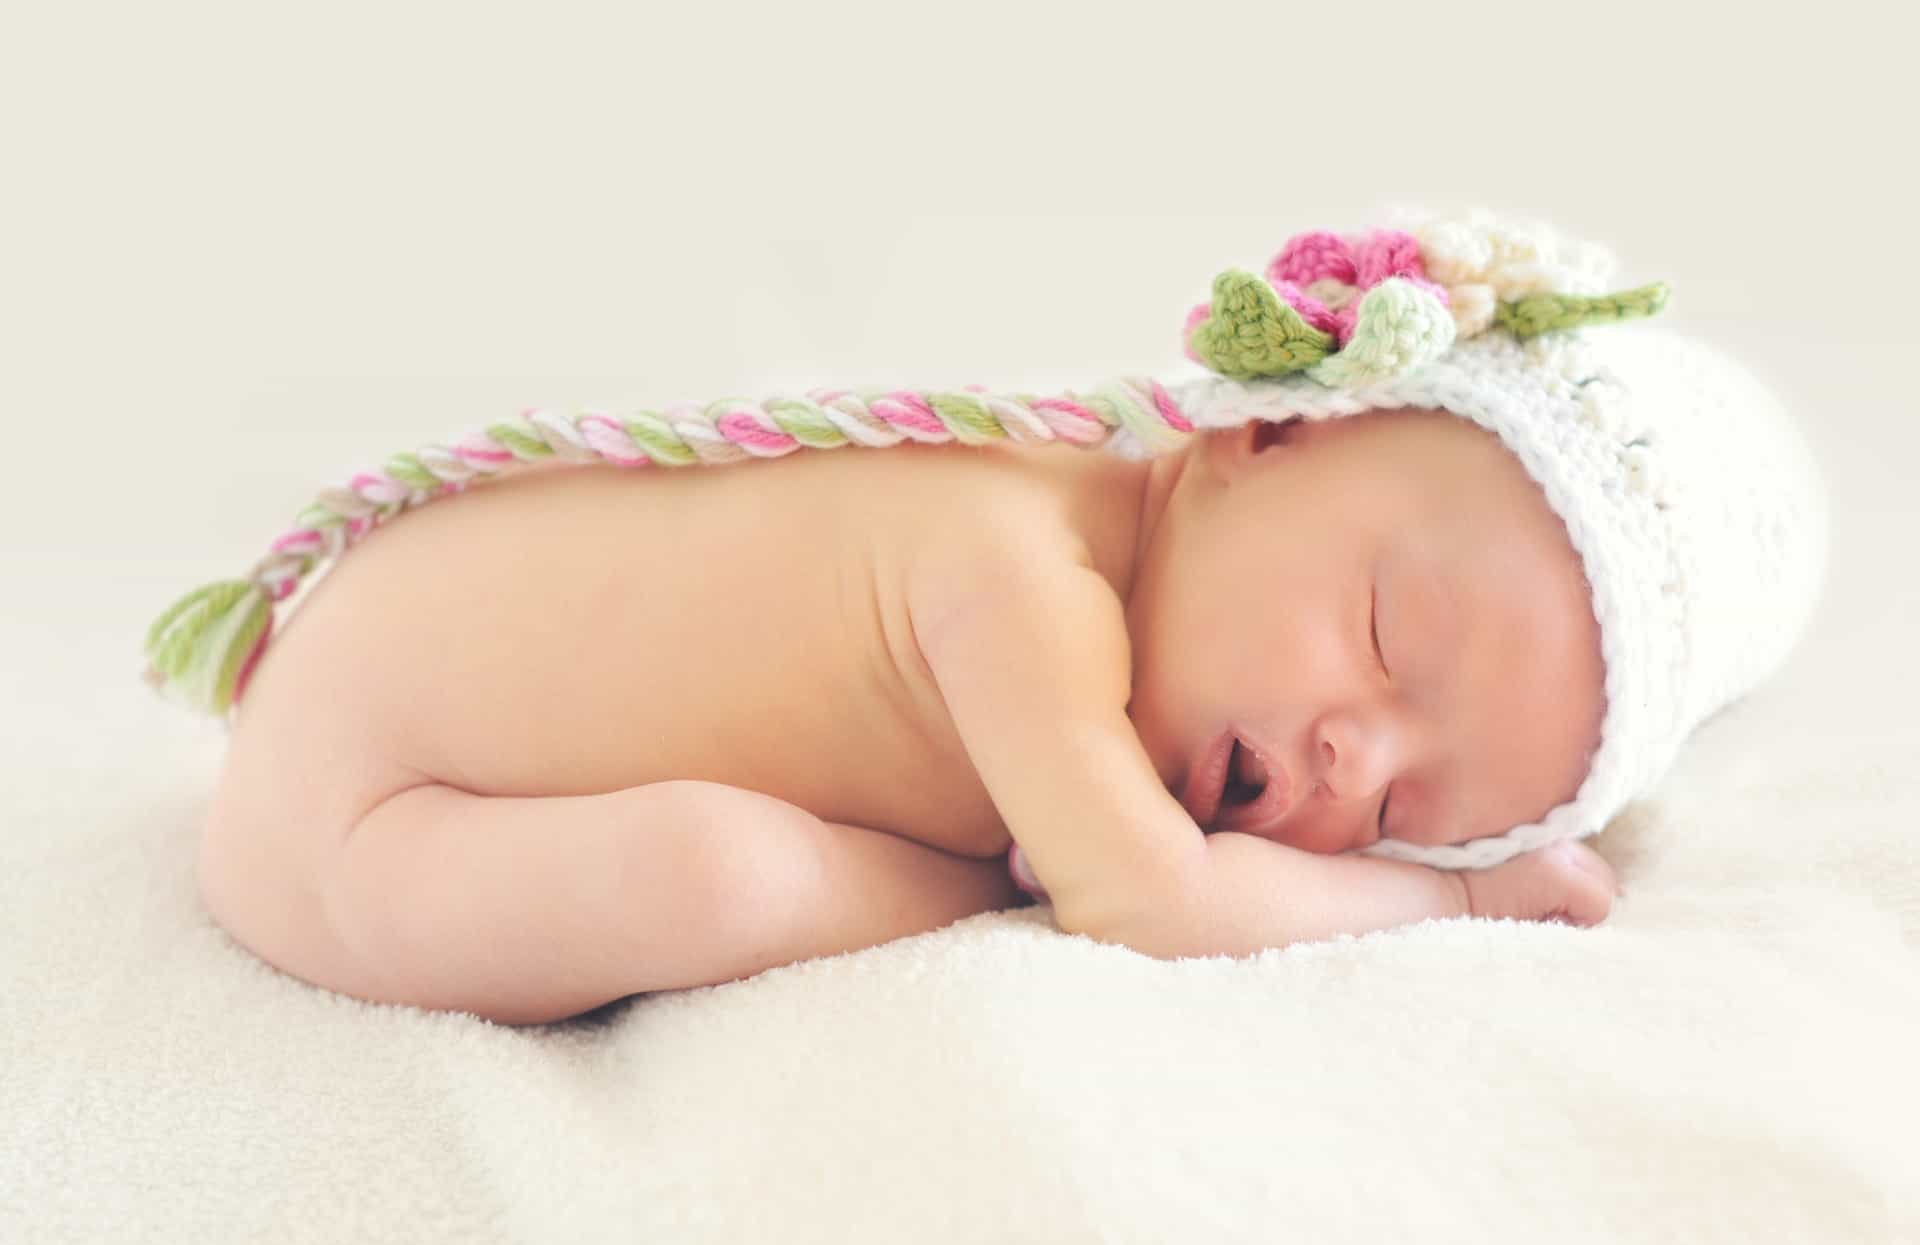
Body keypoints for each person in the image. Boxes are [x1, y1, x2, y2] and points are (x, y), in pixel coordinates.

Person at [149, 209, 1827, 1024]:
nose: (1349, 752)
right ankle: (977, 876)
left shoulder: (1096, 540)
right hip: (356, 830)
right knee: (713, 878)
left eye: (1410, 798)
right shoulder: (1016, 566)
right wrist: (1444, 891)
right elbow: (1153, 911)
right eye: (1388, 642)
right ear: (1263, 435)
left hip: (393, 727)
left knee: (733, 857)